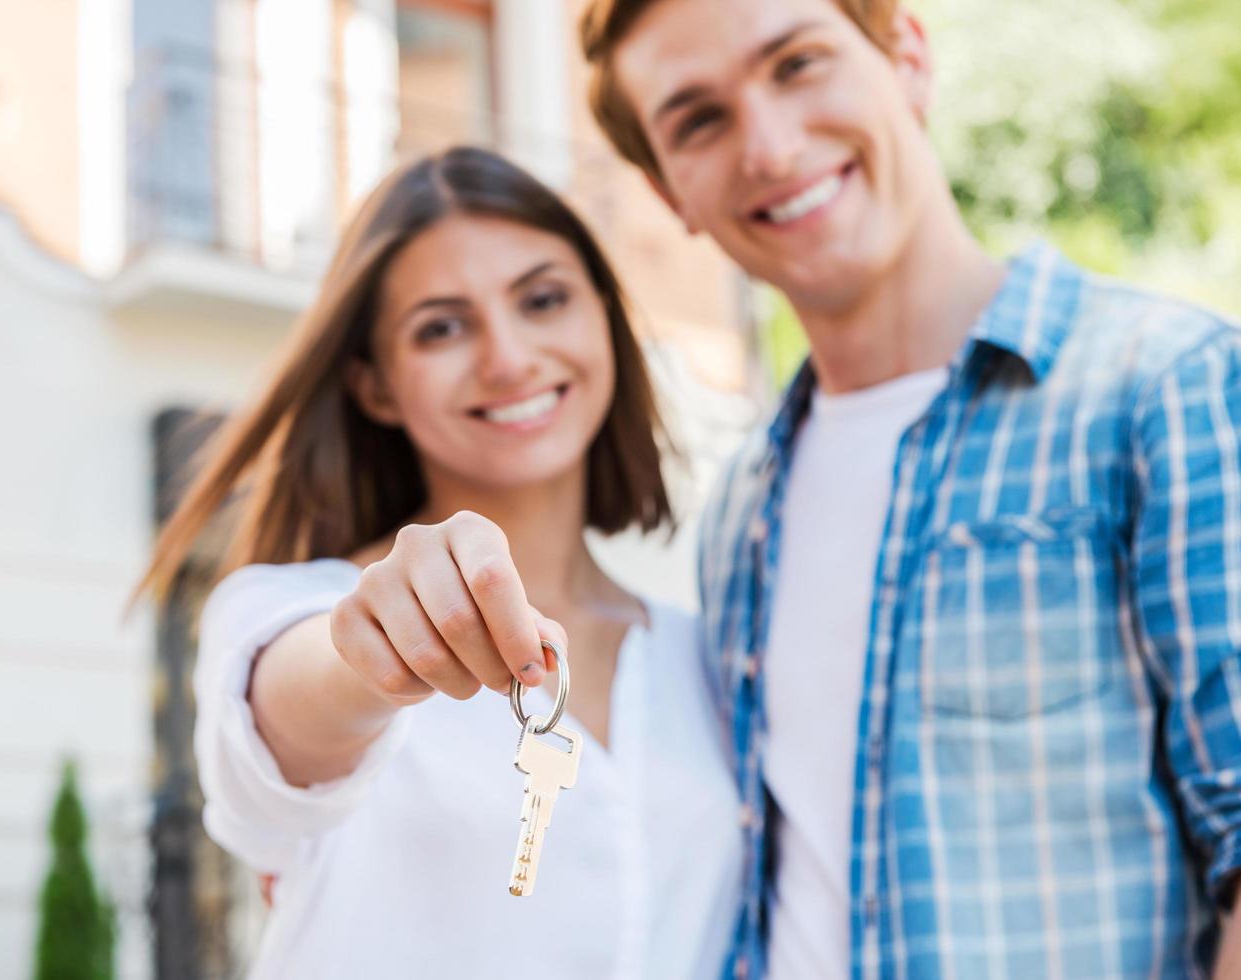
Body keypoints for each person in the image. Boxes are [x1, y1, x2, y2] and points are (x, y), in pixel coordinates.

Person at [569, 0, 1241, 976]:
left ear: (907, 59)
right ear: (666, 189)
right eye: (697, 119)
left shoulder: (1166, 386)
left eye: (796, 63)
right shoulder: (739, 511)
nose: (766, 143)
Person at [134, 146, 743, 979]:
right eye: (442, 327)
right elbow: (288, 721)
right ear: (376, 385)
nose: (507, 356)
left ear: (605, 317)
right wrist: (371, 656)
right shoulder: (289, 612)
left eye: (543, 299)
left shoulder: (701, 656)